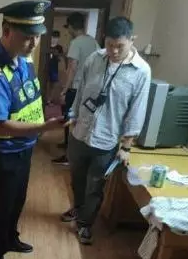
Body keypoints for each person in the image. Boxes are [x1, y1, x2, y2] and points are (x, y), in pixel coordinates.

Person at [0, 0, 71, 259]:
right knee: (0, 205)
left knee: (17, 199)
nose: (34, 43)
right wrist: (43, 127)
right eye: (27, 37)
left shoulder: (24, 60)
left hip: (23, 145)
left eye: (37, 36)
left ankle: (10, 238)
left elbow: (28, 99)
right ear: (6, 31)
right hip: (1, 149)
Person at [61, 16, 151, 245]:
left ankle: (85, 224)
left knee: (95, 186)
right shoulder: (94, 58)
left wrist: (126, 146)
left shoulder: (141, 71)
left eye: (119, 46)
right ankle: (78, 208)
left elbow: (136, 111)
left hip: (106, 140)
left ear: (132, 40)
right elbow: (81, 89)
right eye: (110, 45)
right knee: (77, 179)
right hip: (80, 133)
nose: (113, 51)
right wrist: (73, 116)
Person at [52, 12, 99, 165]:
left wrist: (64, 90)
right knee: (82, 121)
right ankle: (71, 150)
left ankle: (68, 155)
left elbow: (72, 68)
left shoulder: (76, 43)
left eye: (68, 28)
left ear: (71, 27)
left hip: (75, 88)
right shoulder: (93, 42)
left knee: (69, 119)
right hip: (89, 89)